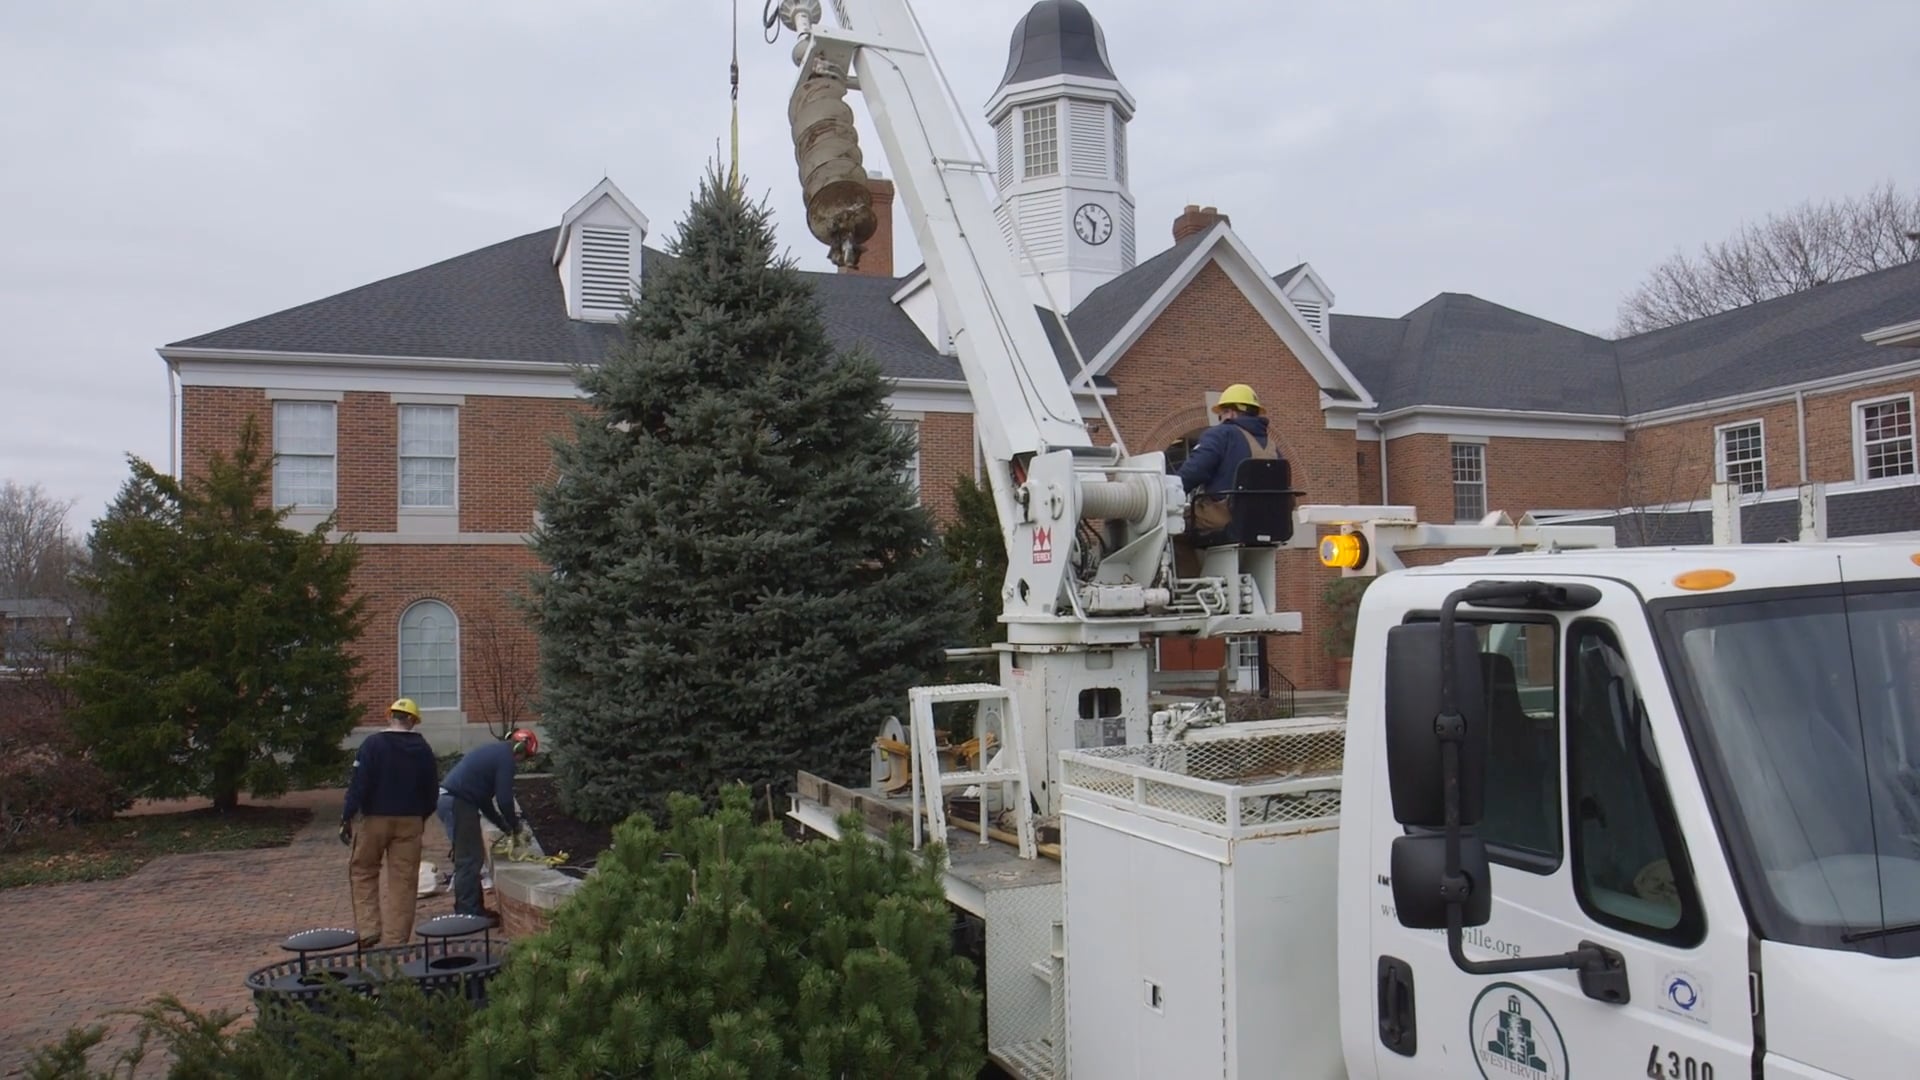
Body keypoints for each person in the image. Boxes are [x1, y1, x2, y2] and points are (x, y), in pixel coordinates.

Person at [340, 698, 442, 947]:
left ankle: (369, 929)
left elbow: (359, 784)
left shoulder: (373, 744)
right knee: (404, 881)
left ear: (390, 717)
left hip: (374, 819)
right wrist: (421, 816)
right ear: (413, 721)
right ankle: (396, 941)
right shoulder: (423, 748)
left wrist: (347, 816)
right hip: (411, 821)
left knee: (363, 870)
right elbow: (432, 790)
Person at [437, 728, 539, 922]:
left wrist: (504, 826)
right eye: (525, 757)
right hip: (457, 802)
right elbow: (505, 800)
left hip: (455, 801)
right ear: (520, 748)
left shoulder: (497, 753)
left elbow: (484, 801)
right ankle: (468, 914)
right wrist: (516, 826)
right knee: (468, 858)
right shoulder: (506, 759)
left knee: (472, 856)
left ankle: (473, 909)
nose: (522, 762)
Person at [1176, 383, 1280, 546]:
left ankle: (1194, 571)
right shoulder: (1274, 448)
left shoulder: (1221, 435)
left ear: (1229, 412)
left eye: (1221, 415)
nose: (1221, 420)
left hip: (1226, 520)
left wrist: (1169, 493)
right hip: (1268, 524)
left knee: (1174, 529)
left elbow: (1193, 472)